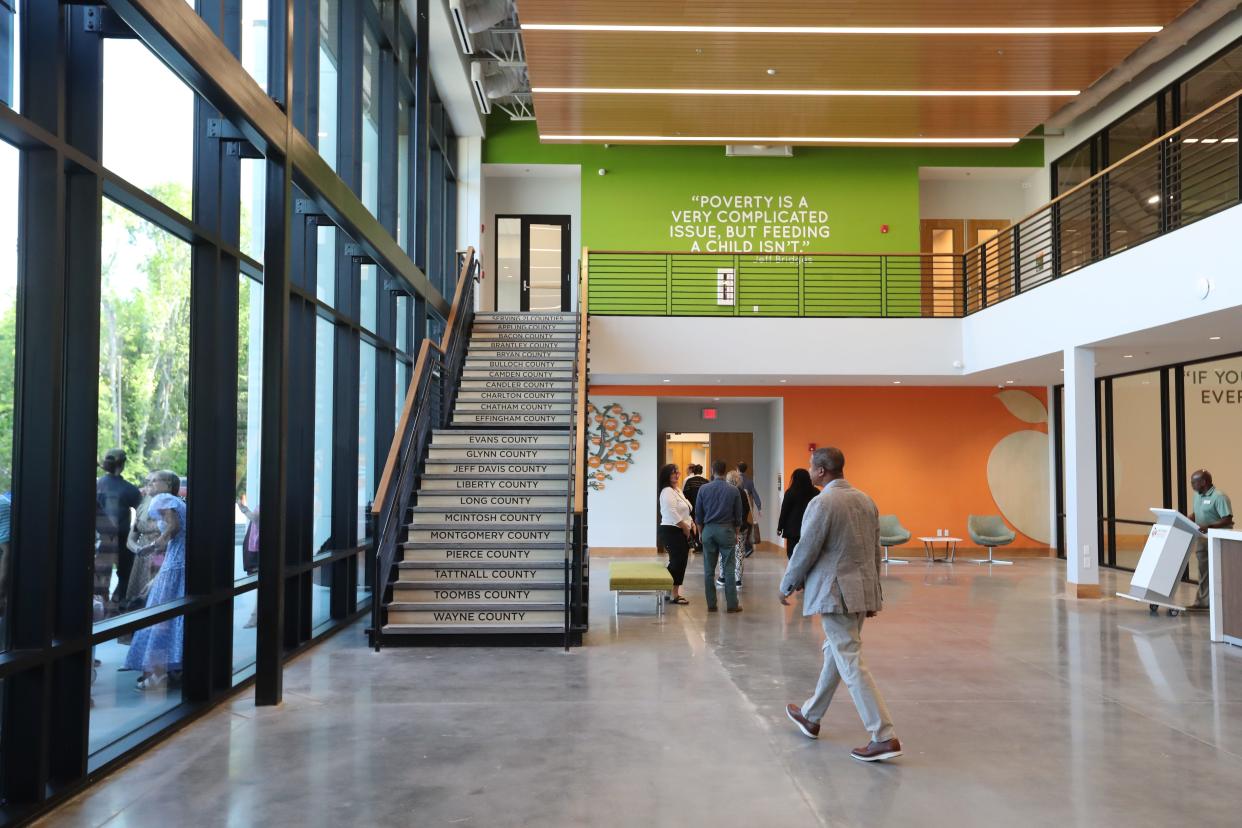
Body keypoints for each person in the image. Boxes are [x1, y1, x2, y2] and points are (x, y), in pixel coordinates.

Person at [781, 447, 901, 763]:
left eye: (811, 466)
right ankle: (811, 714)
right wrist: (874, 592)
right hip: (860, 591)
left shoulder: (823, 502)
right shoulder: (865, 500)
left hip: (836, 594)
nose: (808, 471)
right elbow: (875, 550)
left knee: (848, 658)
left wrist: (787, 584)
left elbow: (806, 548)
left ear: (821, 470)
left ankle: (883, 735)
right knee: (836, 652)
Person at [124, 470, 186, 690]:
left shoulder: (163, 498)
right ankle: (169, 670)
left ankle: (158, 674)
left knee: (160, 617)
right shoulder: (176, 501)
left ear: (168, 484)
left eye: (153, 481)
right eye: (147, 481)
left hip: (174, 564)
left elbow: (173, 527)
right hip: (179, 562)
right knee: (174, 617)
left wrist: (153, 545)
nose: (148, 484)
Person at [96, 448, 143, 616]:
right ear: (122, 465)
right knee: (125, 573)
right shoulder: (129, 489)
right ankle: (115, 605)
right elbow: (142, 514)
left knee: (101, 576)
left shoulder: (95, 485)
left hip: (100, 539)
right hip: (123, 539)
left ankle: (104, 607)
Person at [694, 459, 744, 613]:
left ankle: (711, 604)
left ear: (711, 470)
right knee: (729, 569)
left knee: (709, 570)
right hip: (726, 530)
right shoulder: (733, 490)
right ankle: (732, 605)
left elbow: (698, 514)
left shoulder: (703, 489)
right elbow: (738, 516)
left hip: (709, 530)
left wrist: (701, 532)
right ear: (725, 471)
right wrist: (736, 533)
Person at [1188, 469, 1233, 611]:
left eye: (1193, 482)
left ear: (1203, 482)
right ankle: (1203, 603)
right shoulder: (1197, 495)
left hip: (1219, 540)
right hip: (1203, 539)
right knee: (1204, 572)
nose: (1192, 485)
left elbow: (1227, 519)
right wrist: (1188, 519)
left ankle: (1227, 603)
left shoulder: (1219, 497)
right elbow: (1197, 512)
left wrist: (1209, 527)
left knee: (1221, 572)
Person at [657, 464, 693, 605]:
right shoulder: (667, 491)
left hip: (678, 529)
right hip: (671, 530)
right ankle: (674, 594)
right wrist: (684, 526)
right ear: (667, 475)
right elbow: (671, 512)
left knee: (678, 561)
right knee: (678, 561)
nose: (677, 475)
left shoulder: (676, 490)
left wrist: (691, 523)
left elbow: (685, 509)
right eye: (673, 473)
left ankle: (669, 590)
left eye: (677, 472)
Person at [716, 470, 752, 590]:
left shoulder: (723, 491)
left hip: (725, 527)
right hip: (740, 527)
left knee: (723, 552)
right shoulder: (742, 492)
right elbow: (746, 510)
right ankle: (737, 580)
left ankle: (723, 577)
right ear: (738, 480)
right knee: (739, 553)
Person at [777, 468, 820, 560]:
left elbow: (784, 511)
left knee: (792, 554)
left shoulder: (790, 492)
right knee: (808, 555)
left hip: (793, 530)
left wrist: (780, 527)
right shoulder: (816, 492)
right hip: (810, 527)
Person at [737, 462, 762, 558]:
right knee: (743, 523)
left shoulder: (735, 479)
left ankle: (746, 547)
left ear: (737, 469)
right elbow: (755, 494)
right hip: (745, 506)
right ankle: (746, 546)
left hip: (736, 505)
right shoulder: (749, 481)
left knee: (740, 524)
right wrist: (759, 507)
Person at [682, 465, 709, 554]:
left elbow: (684, 495)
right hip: (704, 508)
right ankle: (702, 545)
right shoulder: (706, 482)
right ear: (702, 471)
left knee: (693, 524)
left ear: (693, 471)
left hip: (692, 507)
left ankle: (695, 544)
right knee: (702, 525)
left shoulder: (689, 481)